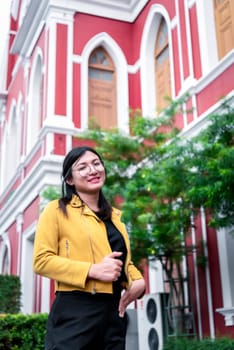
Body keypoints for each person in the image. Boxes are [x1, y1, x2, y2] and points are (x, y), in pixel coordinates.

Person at [33, 145, 145, 350]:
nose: (93, 170)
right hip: (75, 310)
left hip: (113, 313)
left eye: (96, 164)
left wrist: (137, 280)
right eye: (82, 167)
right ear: (69, 180)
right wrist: (92, 270)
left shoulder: (115, 217)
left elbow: (121, 261)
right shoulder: (56, 210)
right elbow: (41, 261)